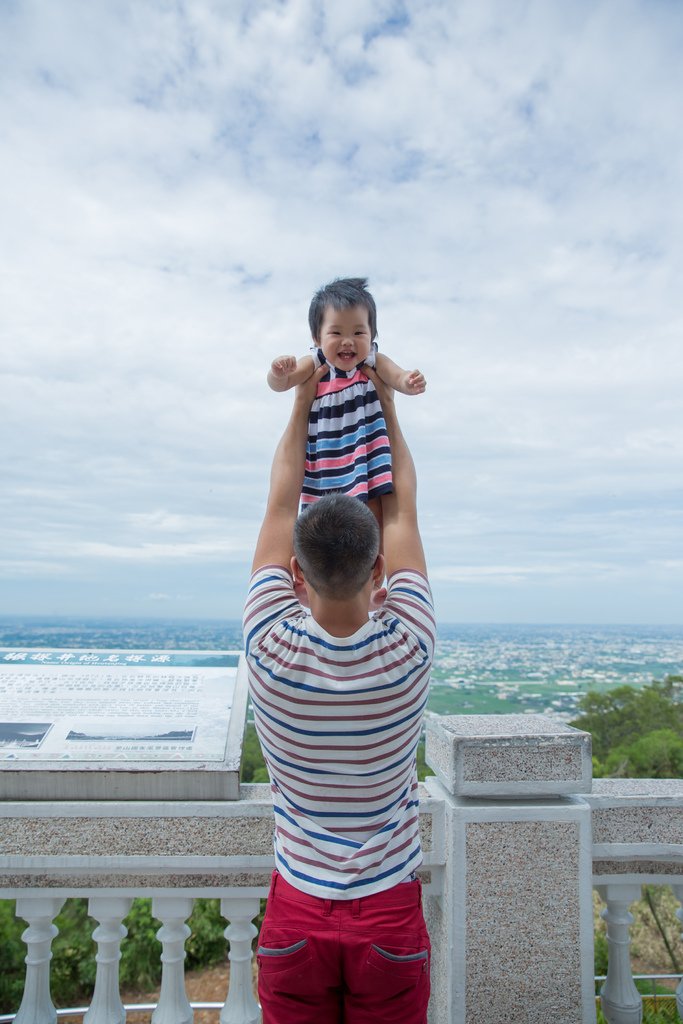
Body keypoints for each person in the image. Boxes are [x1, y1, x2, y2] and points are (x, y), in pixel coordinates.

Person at [243, 362, 435, 1023]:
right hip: (388, 913)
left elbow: (278, 500)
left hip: (296, 907)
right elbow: (401, 505)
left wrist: (302, 401)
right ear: (378, 567)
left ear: (295, 572)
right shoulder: (409, 647)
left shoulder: (265, 644)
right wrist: (386, 408)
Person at [267, 277, 426, 511]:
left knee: (372, 510)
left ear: (372, 336)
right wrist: (278, 373)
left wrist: (408, 382)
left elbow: (397, 377)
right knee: (323, 514)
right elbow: (282, 384)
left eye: (359, 332)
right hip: (325, 459)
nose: (348, 341)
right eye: (336, 333)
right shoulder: (314, 362)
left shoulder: (373, 361)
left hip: (367, 455)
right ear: (316, 337)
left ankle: (374, 546)